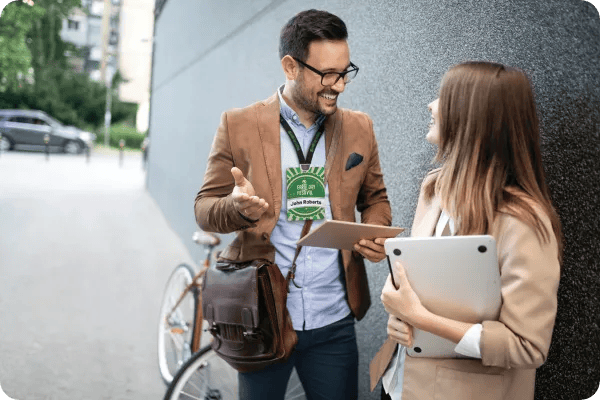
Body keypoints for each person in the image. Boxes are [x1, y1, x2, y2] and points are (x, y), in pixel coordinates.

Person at [194, 9, 392, 400]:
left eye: (345, 71)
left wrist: (374, 232)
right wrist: (235, 208)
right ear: (291, 66)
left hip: (334, 319)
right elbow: (204, 207)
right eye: (327, 74)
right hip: (264, 316)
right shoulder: (238, 124)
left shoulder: (359, 127)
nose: (339, 85)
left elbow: (376, 199)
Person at [370, 61, 563, 400]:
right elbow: (421, 286)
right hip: (397, 384)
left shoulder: (524, 222)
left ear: (472, 116)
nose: (430, 106)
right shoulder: (433, 189)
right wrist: (401, 318)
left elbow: (527, 347)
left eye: (442, 97)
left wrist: (420, 317)